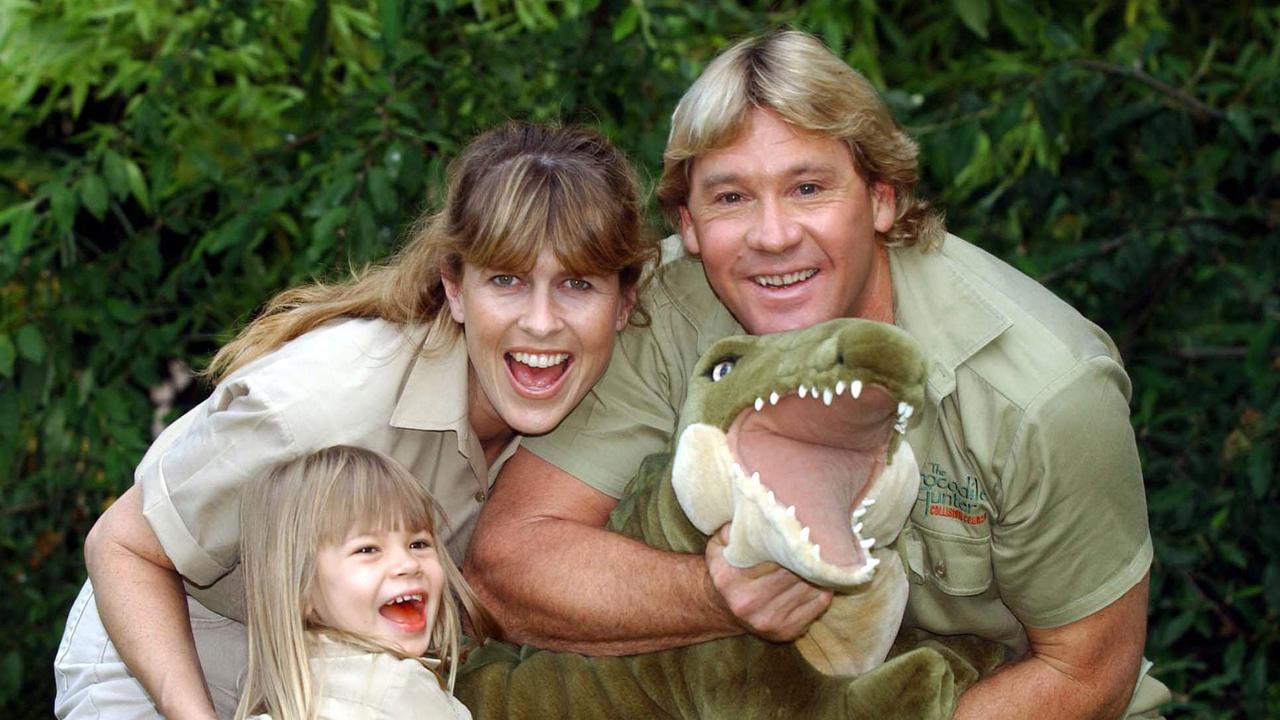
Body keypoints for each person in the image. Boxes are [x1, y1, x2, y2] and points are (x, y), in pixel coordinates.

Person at [464, 30, 1171, 718]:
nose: (772, 237)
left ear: (882, 198)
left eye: (807, 188)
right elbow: (512, 563)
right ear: (688, 222)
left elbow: (1087, 672)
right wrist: (715, 594)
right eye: (731, 198)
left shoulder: (1040, 392)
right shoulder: (668, 310)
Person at [53, 121, 657, 720]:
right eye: (507, 280)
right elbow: (124, 546)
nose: (543, 322)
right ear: (454, 288)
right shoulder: (320, 406)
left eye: (577, 284)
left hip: (345, 685)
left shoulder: (609, 405)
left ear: (624, 301)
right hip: (166, 663)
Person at [237, 446, 477, 720]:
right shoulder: (401, 690)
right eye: (367, 550)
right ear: (300, 590)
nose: (409, 563)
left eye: (418, 543)